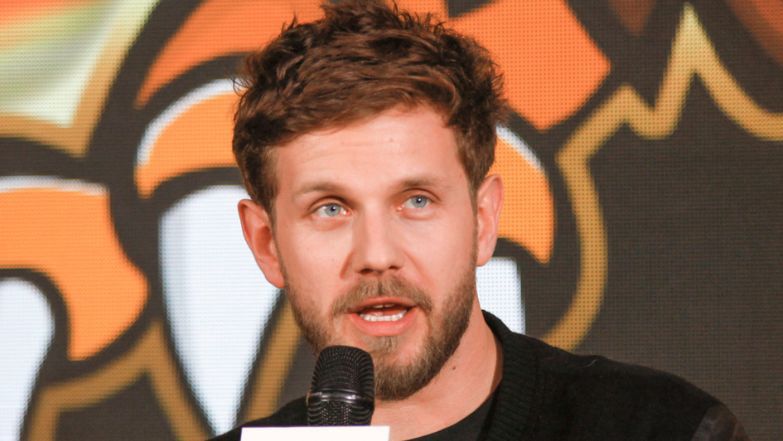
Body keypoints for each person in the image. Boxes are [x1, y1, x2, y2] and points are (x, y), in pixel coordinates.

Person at [213, 1, 748, 440]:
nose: (377, 254)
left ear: (484, 219)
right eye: (331, 209)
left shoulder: (662, 429)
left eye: (416, 201)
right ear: (266, 243)